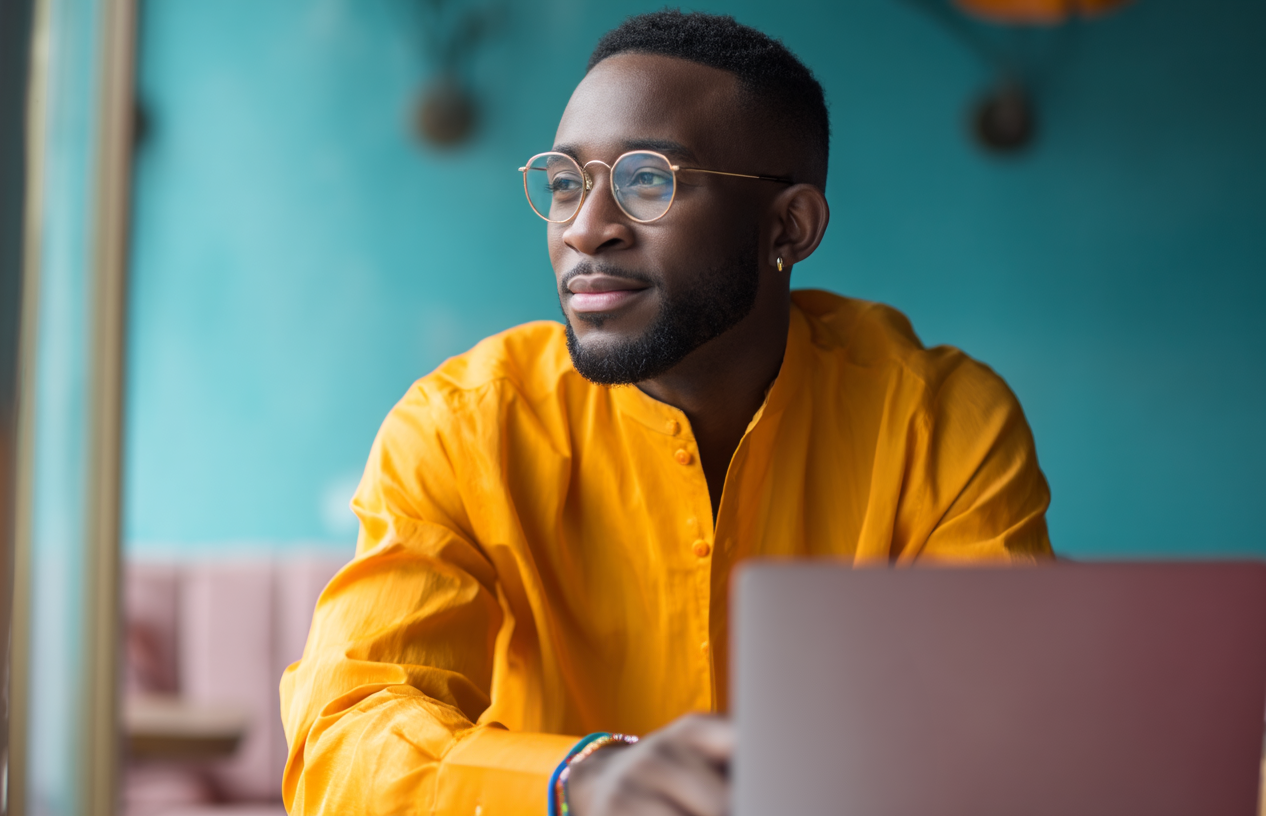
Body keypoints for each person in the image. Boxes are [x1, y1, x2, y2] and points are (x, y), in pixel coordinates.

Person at [279, 10, 1052, 816]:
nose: (585, 228)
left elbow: (1008, 735)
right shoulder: (466, 427)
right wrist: (578, 778)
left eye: (650, 180)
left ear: (789, 226)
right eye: (567, 183)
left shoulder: (936, 420)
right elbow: (344, 741)